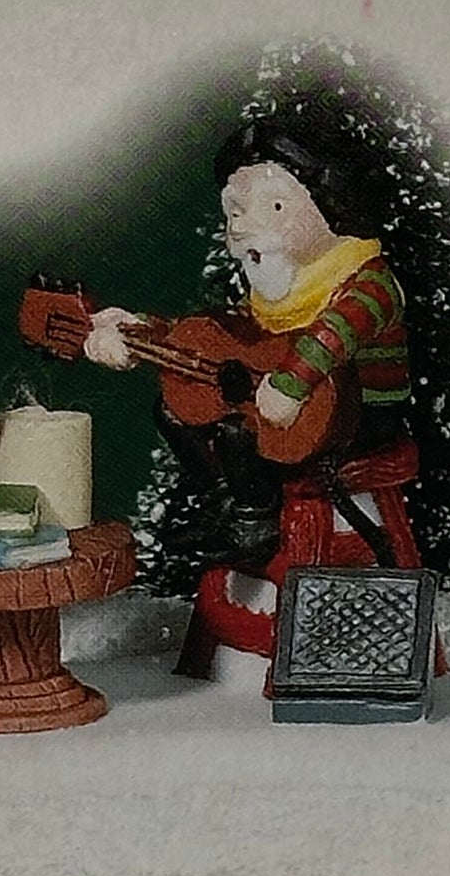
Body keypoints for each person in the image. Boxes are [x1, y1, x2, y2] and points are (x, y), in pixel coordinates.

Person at [84, 110, 410, 570]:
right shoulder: (277, 291)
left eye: (274, 208)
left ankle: (256, 526)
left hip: (359, 416)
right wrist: (142, 332)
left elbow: (338, 329)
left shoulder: (367, 279)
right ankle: (224, 501)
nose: (240, 227)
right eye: (235, 212)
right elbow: (229, 336)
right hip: (299, 406)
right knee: (174, 411)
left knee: (239, 432)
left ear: (332, 207)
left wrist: (294, 381)